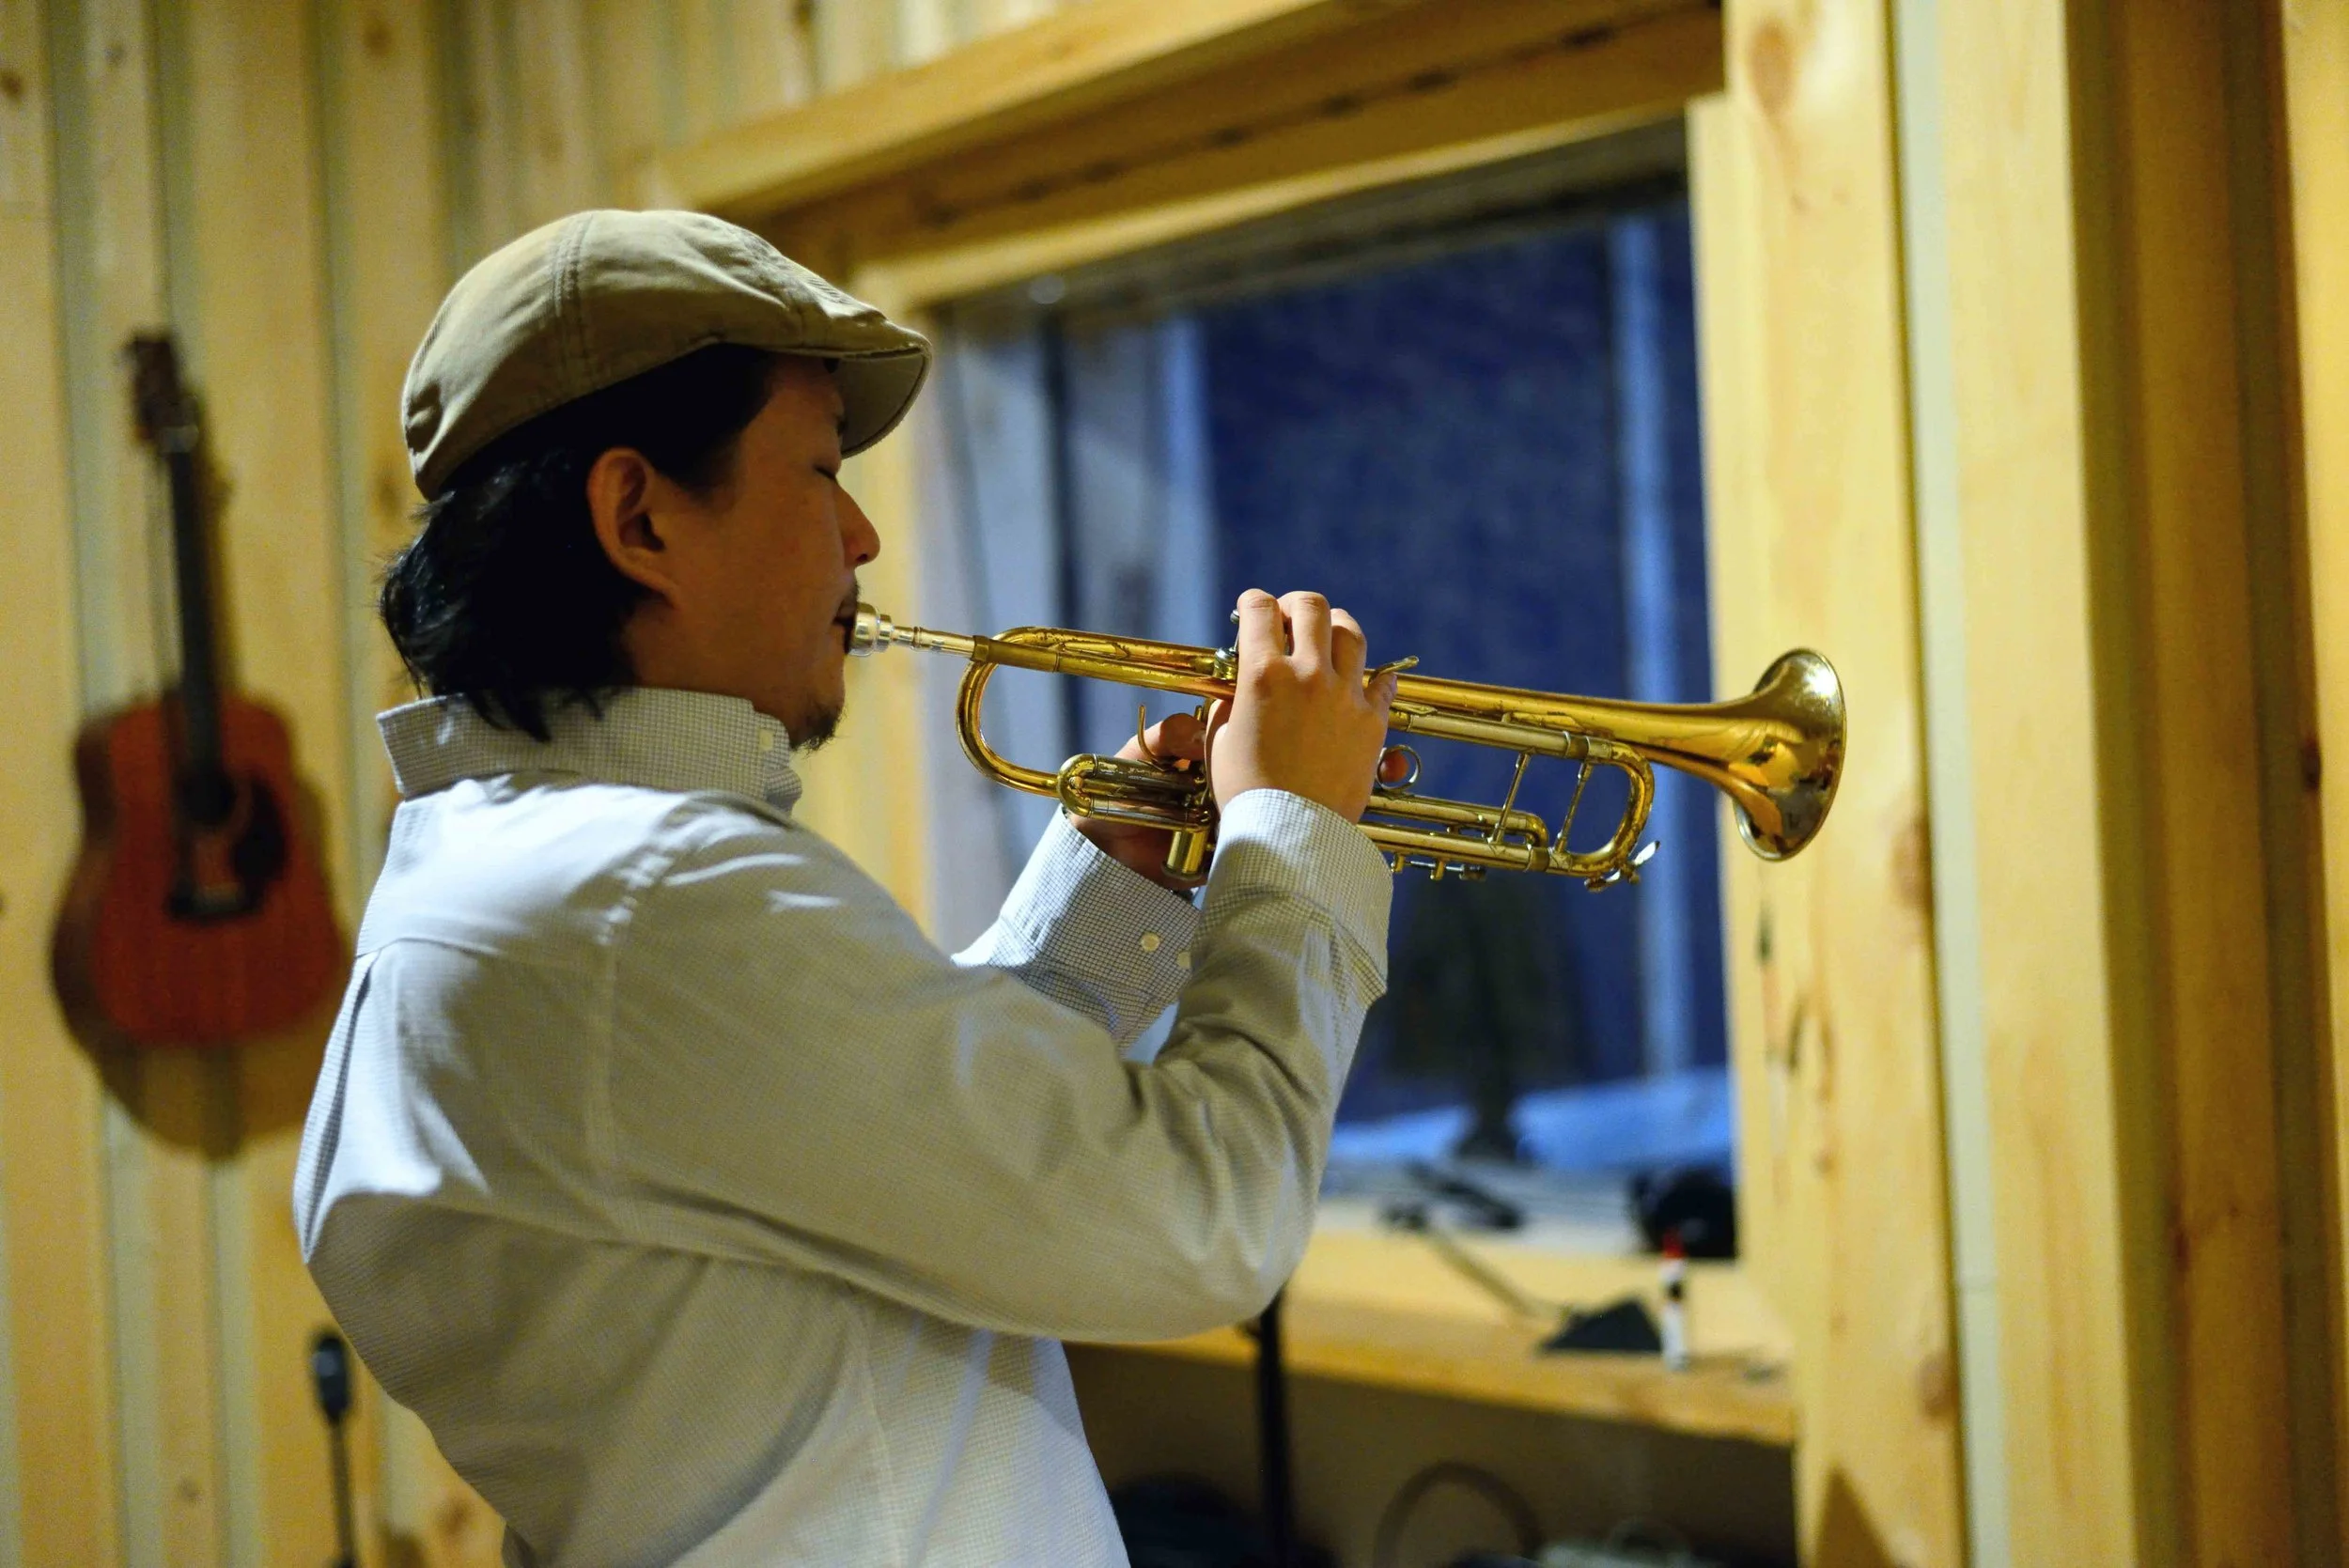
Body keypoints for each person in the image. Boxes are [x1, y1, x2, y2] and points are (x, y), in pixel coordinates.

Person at [290, 209, 1400, 1567]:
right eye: (819, 470)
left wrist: (1114, 882)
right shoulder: (655, 899)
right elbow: (1207, 1222)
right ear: (637, 516)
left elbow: (883, 1148)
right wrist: (1290, 836)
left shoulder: (498, 881)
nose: (865, 535)